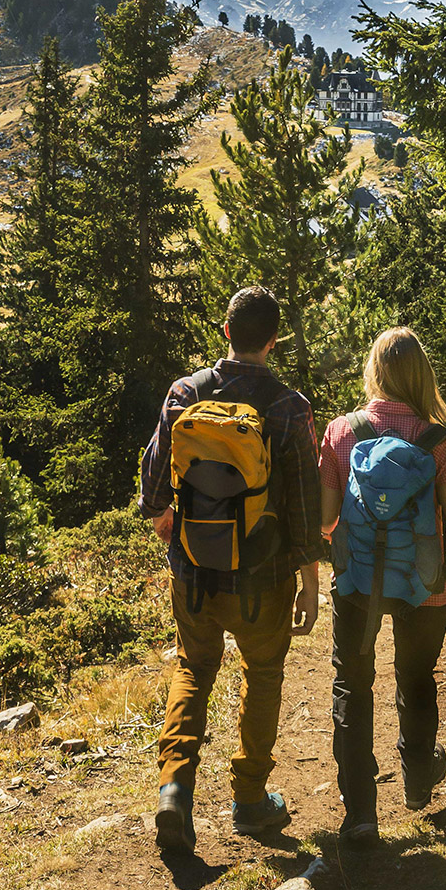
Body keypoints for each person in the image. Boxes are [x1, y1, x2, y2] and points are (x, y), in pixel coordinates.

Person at [139, 286, 322, 853]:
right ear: (273, 340)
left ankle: (174, 790)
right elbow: (304, 504)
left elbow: (152, 480)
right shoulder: (290, 408)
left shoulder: (184, 392)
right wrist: (310, 581)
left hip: (193, 569)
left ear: (225, 332)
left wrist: (169, 524)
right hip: (263, 578)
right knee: (263, 675)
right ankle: (248, 800)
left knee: (193, 668)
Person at [319, 327, 446, 843]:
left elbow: (327, 522)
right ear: (422, 375)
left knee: (352, 686)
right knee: (416, 679)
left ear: (374, 371)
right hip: (425, 587)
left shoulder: (341, 432)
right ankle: (418, 780)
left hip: (355, 584)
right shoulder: (437, 439)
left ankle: (360, 816)